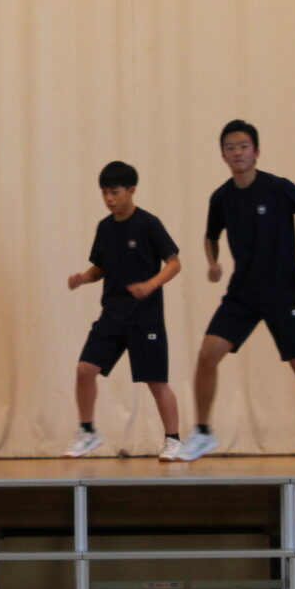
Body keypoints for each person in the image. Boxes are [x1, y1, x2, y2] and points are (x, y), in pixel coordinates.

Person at [176, 120, 295, 469]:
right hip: (242, 295)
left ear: (256, 151)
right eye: (230, 147)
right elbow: (210, 236)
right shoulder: (221, 197)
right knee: (208, 353)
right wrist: (213, 263)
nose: (237, 152)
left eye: (243, 146)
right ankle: (204, 432)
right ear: (222, 154)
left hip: (283, 293)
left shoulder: (277, 188)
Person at [63, 162, 184, 460]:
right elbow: (100, 267)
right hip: (112, 316)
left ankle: (174, 440)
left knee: (156, 382)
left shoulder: (149, 224)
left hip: (146, 318)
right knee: (84, 370)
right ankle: (88, 433)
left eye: (115, 192)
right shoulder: (105, 228)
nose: (109, 199)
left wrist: (151, 284)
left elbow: (174, 262)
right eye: (104, 193)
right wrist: (83, 278)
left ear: (131, 190)